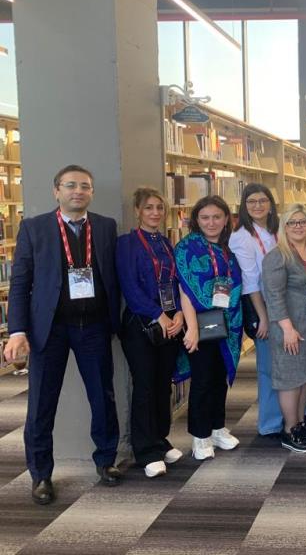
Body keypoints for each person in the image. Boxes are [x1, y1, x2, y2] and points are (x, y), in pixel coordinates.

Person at [3, 164, 122, 505]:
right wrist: (17, 331)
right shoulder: (34, 228)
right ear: (56, 191)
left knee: (103, 397)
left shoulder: (105, 227)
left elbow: (112, 276)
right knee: (42, 403)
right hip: (49, 329)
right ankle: (41, 474)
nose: (78, 191)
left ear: (92, 192)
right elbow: (21, 283)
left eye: (84, 186)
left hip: (93, 326)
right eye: (70, 185)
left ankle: (106, 460)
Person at [116, 188, 184, 478]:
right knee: (144, 386)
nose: (155, 213)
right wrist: (159, 315)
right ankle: (145, 451)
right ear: (138, 211)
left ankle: (159, 439)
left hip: (170, 323)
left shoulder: (166, 243)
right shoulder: (127, 244)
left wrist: (179, 313)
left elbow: (176, 282)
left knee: (163, 384)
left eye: (159, 207)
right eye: (148, 208)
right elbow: (130, 288)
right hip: (141, 325)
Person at [175, 195, 243, 461]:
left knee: (219, 378)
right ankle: (200, 436)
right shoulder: (187, 247)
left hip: (226, 324)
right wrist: (191, 328)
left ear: (226, 219)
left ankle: (217, 428)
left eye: (217, 217)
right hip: (200, 323)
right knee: (202, 380)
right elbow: (184, 290)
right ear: (196, 220)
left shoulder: (227, 248)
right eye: (205, 217)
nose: (211, 222)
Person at [262, 204, 306, 453]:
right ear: (284, 227)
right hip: (288, 327)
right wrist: (287, 328)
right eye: (292, 222)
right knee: (289, 379)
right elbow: (274, 296)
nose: (298, 226)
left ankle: (300, 421)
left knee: (305, 375)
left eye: (302, 222)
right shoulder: (277, 256)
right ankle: (289, 429)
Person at [229, 183, 283, 437]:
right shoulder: (241, 237)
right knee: (269, 368)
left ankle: (296, 416)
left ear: (271, 204)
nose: (258, 206)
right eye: (251, 201)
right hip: (264, 305)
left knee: (293, 364)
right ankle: (271, 424)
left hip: (287, 302)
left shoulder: (278, 229)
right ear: (244, 206)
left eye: (262, 200)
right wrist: (263, 317)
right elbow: (250, 282)